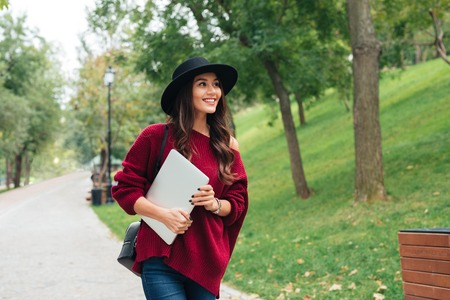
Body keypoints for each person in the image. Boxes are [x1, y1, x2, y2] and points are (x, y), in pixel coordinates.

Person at [112, 57, 249, 300]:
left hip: (206, 262)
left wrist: (215, 203)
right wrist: (163, 216)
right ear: (186, 91)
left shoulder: (228, 145)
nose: (212, 91)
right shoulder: (155, 136)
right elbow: (125, 189)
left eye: (216, 84)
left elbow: (237, 203)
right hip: (160, 258)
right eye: (202, 84)